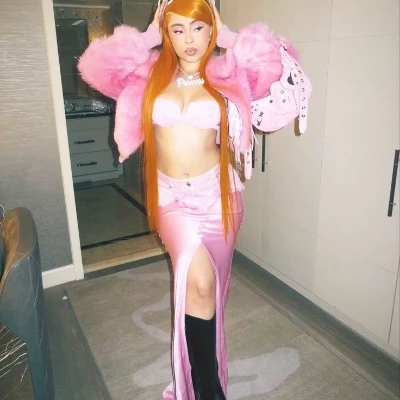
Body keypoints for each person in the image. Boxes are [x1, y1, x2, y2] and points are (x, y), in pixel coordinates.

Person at [78, 0, 298, 398]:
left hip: (220, 197)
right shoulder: (148, 74)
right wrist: (148, 35)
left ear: (210, 29)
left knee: (211, 291)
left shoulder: (228, 73)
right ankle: (208, 388)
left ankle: (206, 377)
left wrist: (228, 35)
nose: (189, 39)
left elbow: (280, 63)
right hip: (172, 200)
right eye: (177, 30)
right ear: (167, 33)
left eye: (198, 28)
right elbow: (94, 67)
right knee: (197, 282)